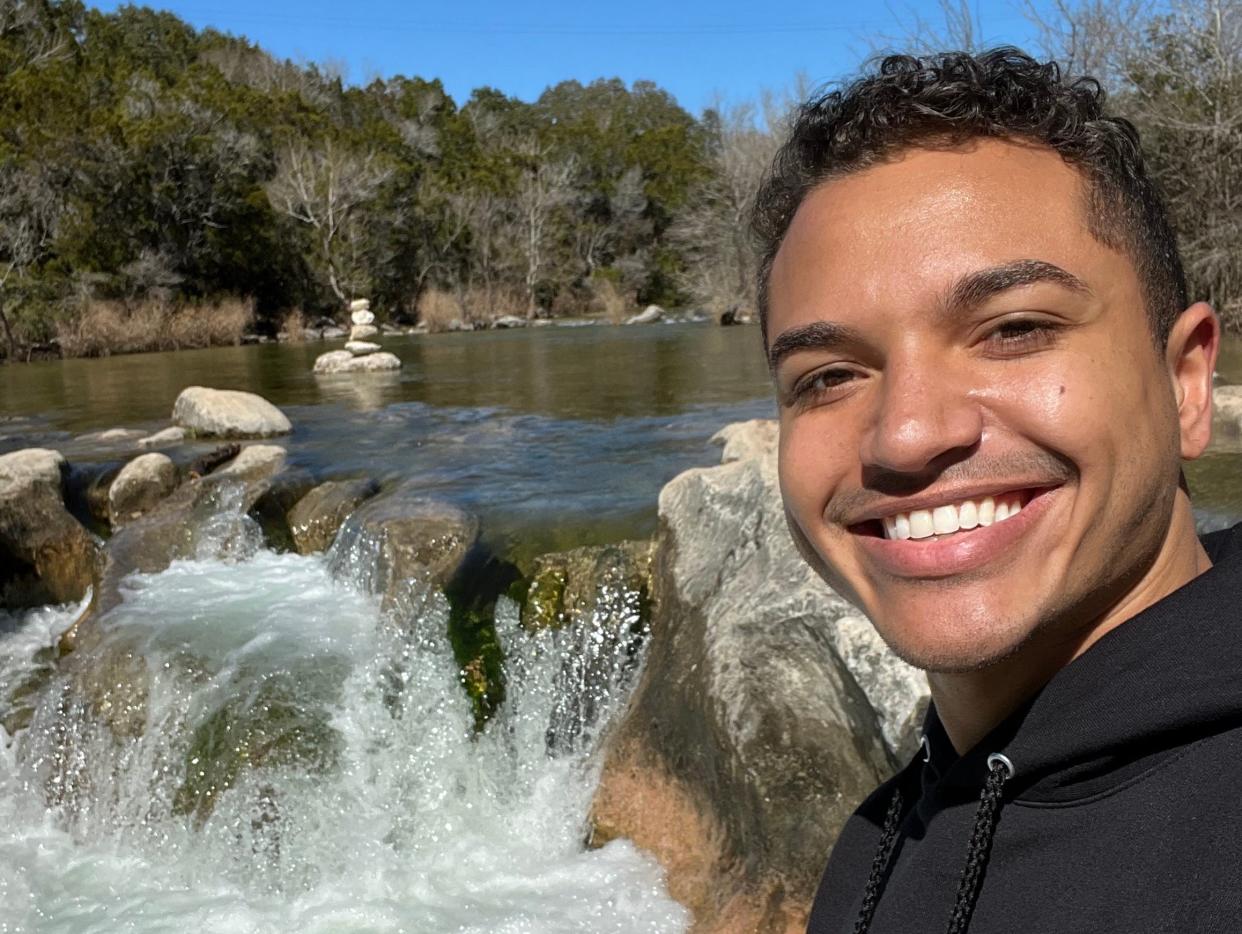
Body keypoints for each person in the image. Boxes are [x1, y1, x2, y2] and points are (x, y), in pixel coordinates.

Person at [752, 47, 1242, 934]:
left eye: (1013, 328)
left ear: (1185, 384)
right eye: (827, 377)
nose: (905, 433)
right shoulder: (877, 845)